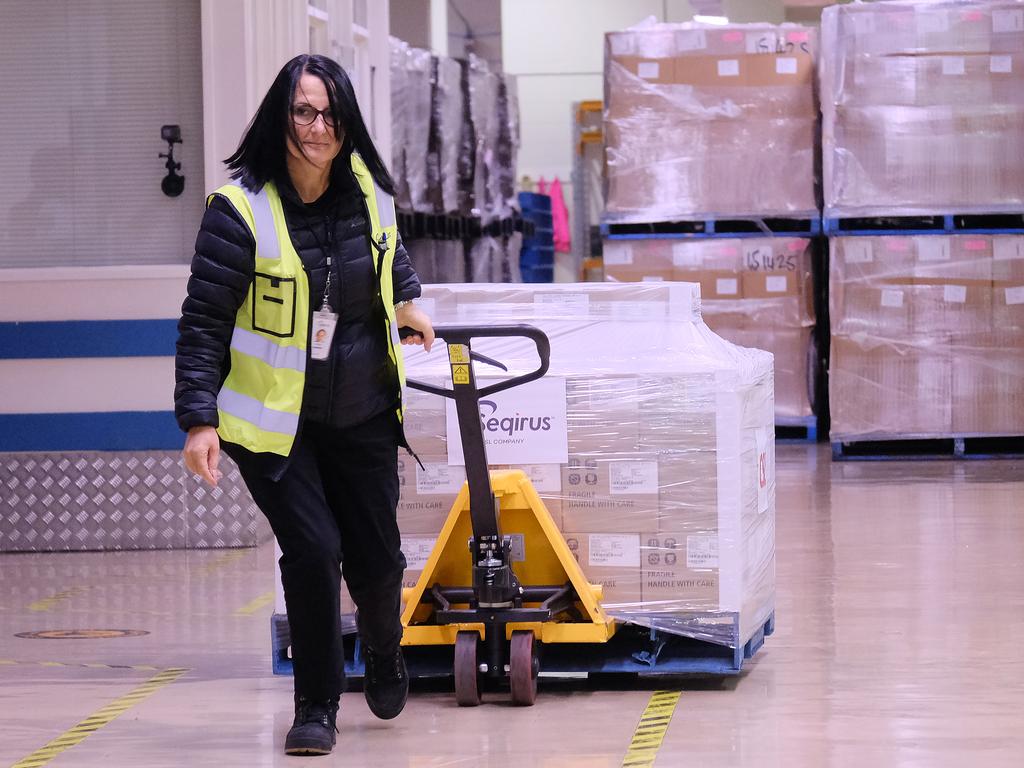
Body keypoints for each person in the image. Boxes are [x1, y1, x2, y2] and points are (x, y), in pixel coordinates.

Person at [174, 54, 434, 757]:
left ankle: (384, 647)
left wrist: (408, 303)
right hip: (274, 427)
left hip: (364, 412)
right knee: (314, 552)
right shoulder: (240, 212)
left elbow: (389, 257)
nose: (317, 127)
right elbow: (204, 322)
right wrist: (200, 418)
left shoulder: (370, 195)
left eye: (330, 113)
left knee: (377, 562)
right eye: (303, 112)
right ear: (279, 118)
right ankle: (316, 702)